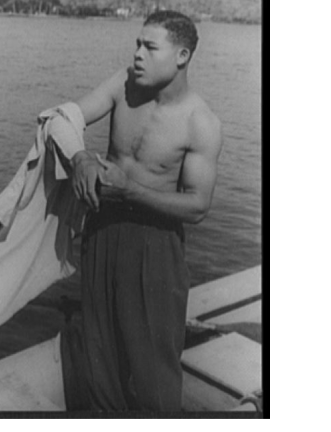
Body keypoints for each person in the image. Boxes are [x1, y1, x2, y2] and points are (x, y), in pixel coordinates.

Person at [60, 10, 223, 412]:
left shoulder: (200, 121)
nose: (137, 55)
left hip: (155, 246)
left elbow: (198, 205)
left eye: (150, 47)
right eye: (137, 44)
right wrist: (80, 157)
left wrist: (131, 190)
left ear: (182, 56)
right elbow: (65, 117)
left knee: (154, 375)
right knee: (100, 363)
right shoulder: (124, 84)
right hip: (102, 231)